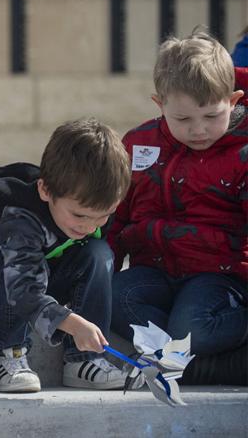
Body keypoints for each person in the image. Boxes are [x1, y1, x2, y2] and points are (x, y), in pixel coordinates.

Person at [109, 32, 248, 385]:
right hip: (154, 269)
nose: (199, 130)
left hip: (218, 274)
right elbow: (116, 215)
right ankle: (175, 354)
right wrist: (103, 264)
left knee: (194, 330)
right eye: (183, 119)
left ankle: (190, 361)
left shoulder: (242, 153)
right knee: (109, 298)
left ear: (233, 101)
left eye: (211, 116)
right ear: (160, 104)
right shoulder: (137, 144)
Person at [0, 119, 132, 392]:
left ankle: (84, 360)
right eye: (79, 215)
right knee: (15, 266)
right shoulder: (22, 215)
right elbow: (22, 287)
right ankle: (8, 353)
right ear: (46, 190)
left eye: (102, 216)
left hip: (46, 284)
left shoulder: (93, 211)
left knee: (98, 252)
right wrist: (71, 322)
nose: (89, 226)